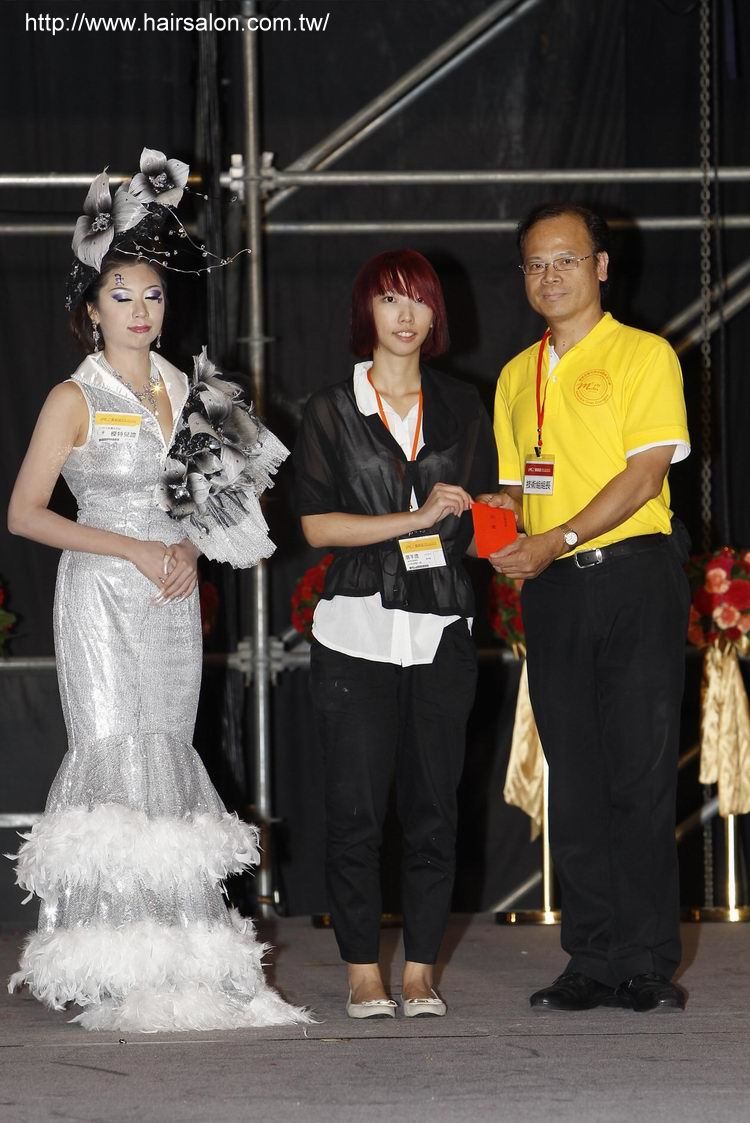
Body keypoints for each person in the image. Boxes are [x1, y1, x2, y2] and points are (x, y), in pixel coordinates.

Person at [6, 171, 309, 1032]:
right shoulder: (73, 396)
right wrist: (134, 546)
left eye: (152, 294)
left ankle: (177, 952)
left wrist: (186, 548)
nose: (140, 309)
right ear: (91, 309)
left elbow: (235, 507)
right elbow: (25, 514)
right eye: (121, 294)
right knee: (112, 751)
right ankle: (109, 958)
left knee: (168, 752)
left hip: (173, 596)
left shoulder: (196, 388)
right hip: (100, 593)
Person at [484, 203, 691, 1013]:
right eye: (536, 264)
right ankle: (591, 956)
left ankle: (646, 959)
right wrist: (498, 523)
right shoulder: (515, 374)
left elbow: (644, 475)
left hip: (633, 575)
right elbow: (516, 484)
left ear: (601, 266)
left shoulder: (645, 355)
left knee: (639, 771)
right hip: (555, 588)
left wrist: (558, 535)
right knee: (574, 774)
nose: (550, 276)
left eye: (566, 260)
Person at [294, 250, 497, 1018]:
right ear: (366, 312)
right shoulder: (330, 408)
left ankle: (418, 970)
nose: (406, 314)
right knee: (356, 813)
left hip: (442, 629)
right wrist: (414, 518)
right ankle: (361, 971)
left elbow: (487, 511)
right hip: (355, 634)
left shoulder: (463, 405)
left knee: (435, 809)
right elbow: (318, 526)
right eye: (389, 299)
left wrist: (510, 523)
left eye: (419, 300)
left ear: (436, 313)